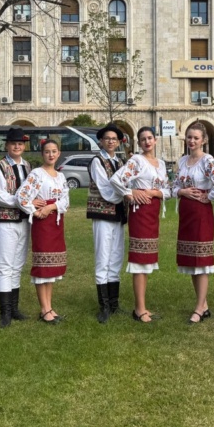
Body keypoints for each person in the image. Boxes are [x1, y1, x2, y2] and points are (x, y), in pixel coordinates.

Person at [110, 126, 170, 323]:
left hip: (153, 213)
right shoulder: (136, 161)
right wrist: (130, 193)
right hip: (140, 213)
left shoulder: (161, 164)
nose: (147, 142)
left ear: (155, 140)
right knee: (139, 260)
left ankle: (142, 306)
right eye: (143, 139)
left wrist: (154, 193)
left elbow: (167, 190)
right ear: (139, 142)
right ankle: (139, 308)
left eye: (150, 138)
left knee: (147, 260)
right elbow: (116, 180)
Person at [172, 121, 214, 324]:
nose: (192, 141)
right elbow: (173, 186)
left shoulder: (208, 161)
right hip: (186, 213)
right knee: (190, 259)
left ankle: (199, 307)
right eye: (189, 137)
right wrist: (182, 191)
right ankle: (203, 305)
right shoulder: (183, 161)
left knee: (201, 259)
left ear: (204, 140)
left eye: (196, 138)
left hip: (201, 213)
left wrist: (209, 196)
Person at [17, 139, 71, 323]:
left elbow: (65, 200)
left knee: (52, 265)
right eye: (47, 151)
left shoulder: (60, 176)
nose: (51, 155)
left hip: (55, 222)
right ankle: (44, 308)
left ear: (59, 153)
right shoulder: (37, 174)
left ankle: (49, 306)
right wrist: (35, 210)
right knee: (43, 264)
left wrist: (51, 207)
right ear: (42, 154)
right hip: (42, 224)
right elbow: (22, 196)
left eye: (54, 151)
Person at [0, 127, 32, 327]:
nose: (17, 146)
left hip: (23, 220)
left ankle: (14, 308)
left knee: (18, 264)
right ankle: (5, 312)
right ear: (6, 145)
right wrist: (22, 202)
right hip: (5, 221)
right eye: (13, 143)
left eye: (20, 143)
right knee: (5, 265)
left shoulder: (27, 166)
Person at [88, 123, 127, 323]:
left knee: (116, 257)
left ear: (118, 142)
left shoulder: (120, 162)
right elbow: (105, 189)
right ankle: (103, 306)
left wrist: (126, 193)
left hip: (118, 214)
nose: (111, 141)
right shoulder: (97, 161)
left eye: (114, 139)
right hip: (103, 213)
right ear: (101, 141)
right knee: (103, 257)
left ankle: (114, 303)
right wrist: (126, 195)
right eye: (107, 138)